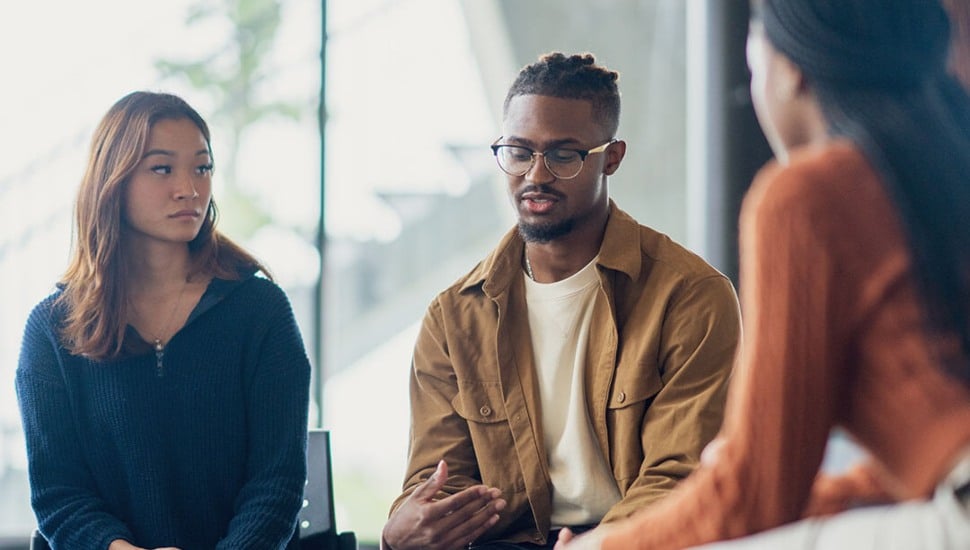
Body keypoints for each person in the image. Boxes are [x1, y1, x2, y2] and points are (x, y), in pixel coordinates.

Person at [556, 1, 970, 549]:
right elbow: (914, 459)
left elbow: (755, 493)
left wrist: (600, 547)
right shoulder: (944, 160)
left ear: (789, 67)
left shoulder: (806, 196)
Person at [381, 52, 742, 550]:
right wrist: (402, 529)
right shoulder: (454, 316)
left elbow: (681, 475)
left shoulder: (689, 296)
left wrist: (598, 544)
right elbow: (437, 484)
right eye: (518, 151)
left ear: (610, 158)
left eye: (564, 155)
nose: (536, 175)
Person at [15, 91, 311, 550]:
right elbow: (58, 493)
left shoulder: (260, 311)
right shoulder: (52, 330)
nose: (189, 188)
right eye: (162, 168)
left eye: (202, 167)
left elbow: (278, 484)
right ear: (113, 180)